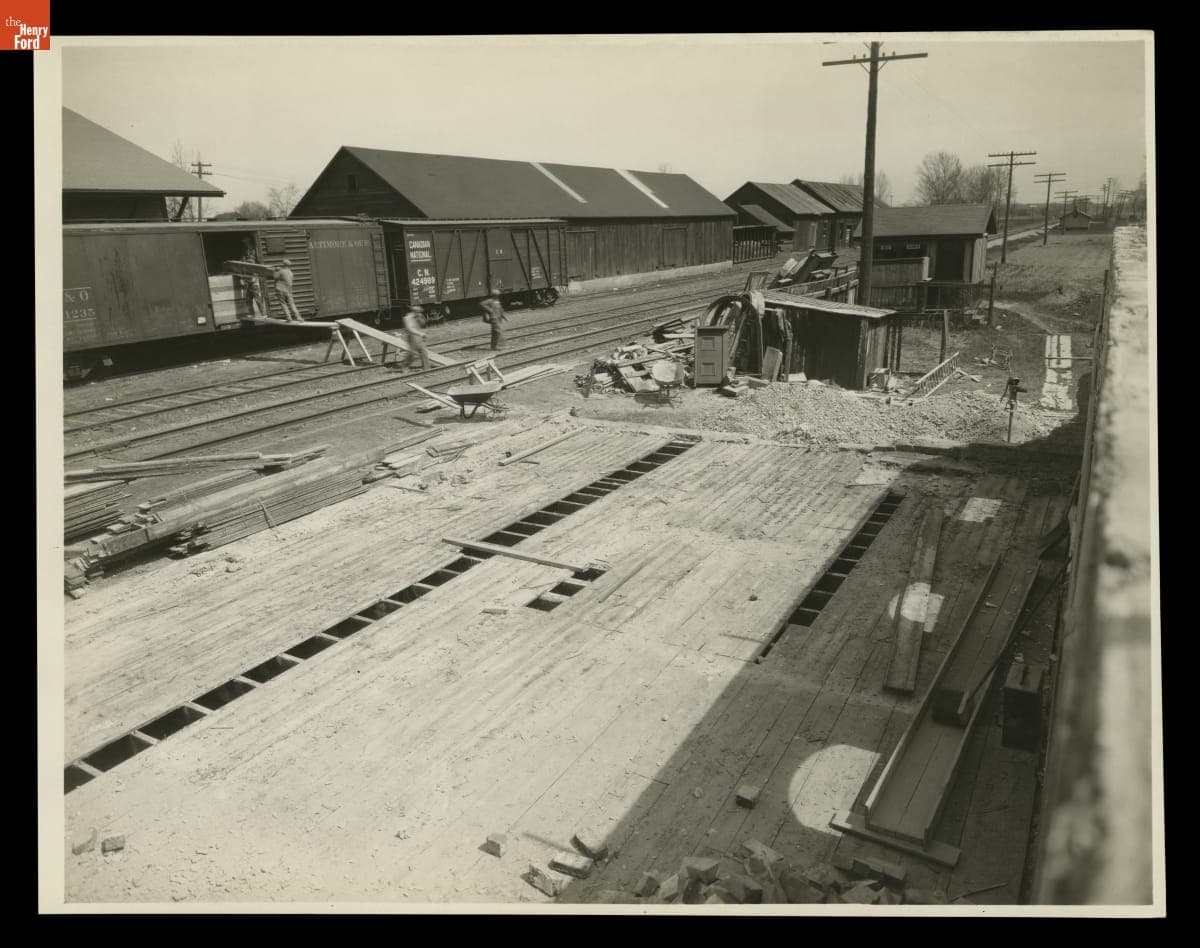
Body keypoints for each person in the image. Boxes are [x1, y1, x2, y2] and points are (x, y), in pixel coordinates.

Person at [397, 304, 431, 372]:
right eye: (418, 311)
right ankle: (404, 366)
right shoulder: (407, 318)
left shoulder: (417, 316)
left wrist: (421, 317)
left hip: (418, 336)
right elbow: (410, 329)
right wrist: (420, 334)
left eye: (419, 311)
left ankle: (426, 369)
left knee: (424, 352)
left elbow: (423, 324)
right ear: (413, 311)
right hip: (411, 337)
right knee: (412, 354)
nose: (419, 313)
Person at [240, 240, 266, 318]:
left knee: (257, 300)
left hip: (254, 285)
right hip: (249, 285)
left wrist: (249, 281)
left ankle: (264, 314)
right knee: (248, 300)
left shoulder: (253, 267)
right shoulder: (247, 268)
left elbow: (254, 278)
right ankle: (252, 314)